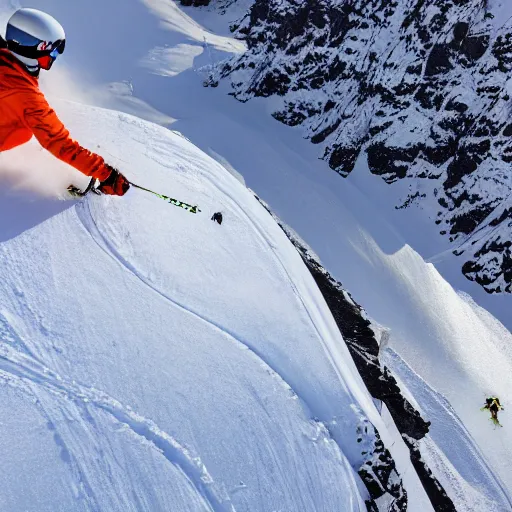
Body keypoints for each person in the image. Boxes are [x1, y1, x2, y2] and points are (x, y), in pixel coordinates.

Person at [0, 8, 129, 196]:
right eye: (52, 54)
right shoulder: (26, 96)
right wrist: (106, 174)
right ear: (34, 49)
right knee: (25, 130)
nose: (53, 59)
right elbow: (59, 142)